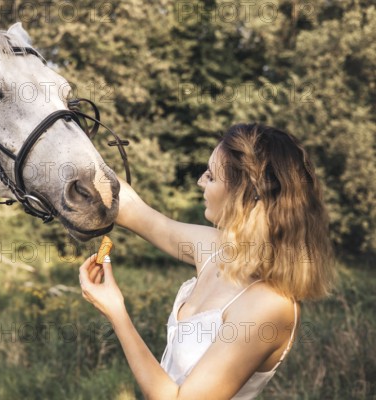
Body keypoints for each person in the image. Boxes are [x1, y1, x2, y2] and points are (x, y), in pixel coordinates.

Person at [79, 123, 335, 399]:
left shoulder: (269, 306)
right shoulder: (216, 248)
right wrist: (72, 144)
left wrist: (117, 313)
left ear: (247, 193)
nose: (201, 181)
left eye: (211, 176)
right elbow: (137, 213)